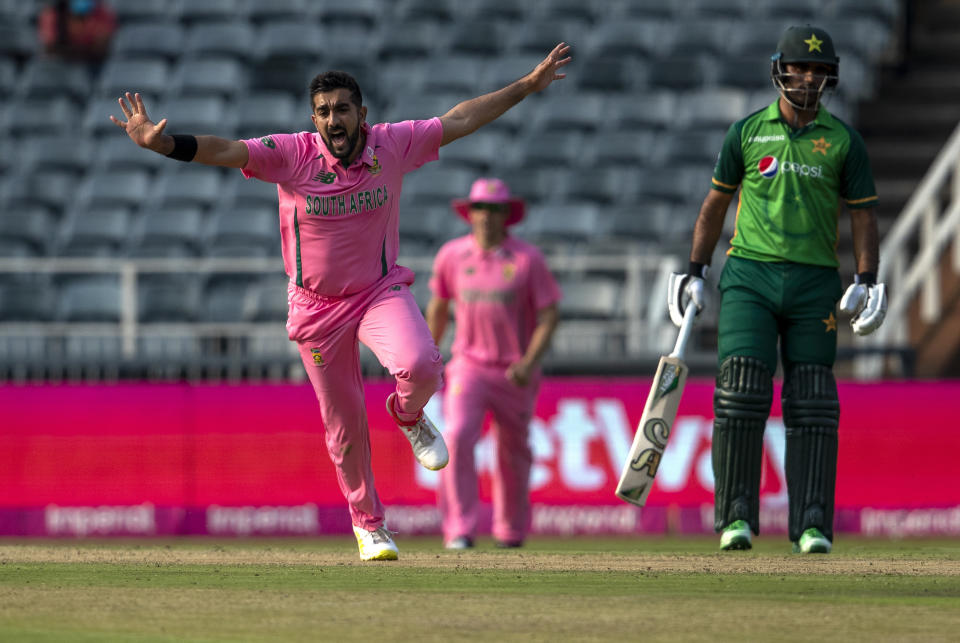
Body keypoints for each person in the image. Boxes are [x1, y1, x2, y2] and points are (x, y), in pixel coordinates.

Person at [109, 43, 572, 561]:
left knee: (421, 364)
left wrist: (527, 87)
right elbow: (227, 151)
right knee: (345, 429)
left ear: (362, 114)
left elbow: (460, 118)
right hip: (315, 308)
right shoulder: (291, 153)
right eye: (324, 110)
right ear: (314, 118)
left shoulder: (392, 144)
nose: (334, 118)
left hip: (378, 292)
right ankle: (369, 524)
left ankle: (407, 414)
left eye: (343, 109)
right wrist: (165, 143)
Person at [667, 26, 886, 554]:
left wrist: (867, 278)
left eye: (818, 70)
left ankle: (812, 524)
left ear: (829, 76)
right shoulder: (745, 132)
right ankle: (735, 517)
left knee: (812, 402)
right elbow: (714, 207)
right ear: (780, 70)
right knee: (740, 394)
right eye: (800, 68)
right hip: (749, 276)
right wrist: (695, 270)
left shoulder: (842, 140)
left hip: (814, 282)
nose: (809, 77)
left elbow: (863, 218)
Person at [426, 178, 560, 550]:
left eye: (495, 209)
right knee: (457, 437)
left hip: (515, 371)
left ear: (507, 215)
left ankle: (510, 532)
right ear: (470, 213)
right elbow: (438, 308)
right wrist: (425, 359)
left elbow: (549, 316)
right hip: (468, 365)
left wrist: (530, 362)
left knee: (513, 452)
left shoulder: (527, 260)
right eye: (480, 209)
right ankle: (460, 530)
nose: (486, 216)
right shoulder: (452, 256)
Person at [38, 0, 116, 64]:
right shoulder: (53, 15)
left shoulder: (102, 13)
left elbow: (101, 47)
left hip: (93, 65)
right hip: (60, 66)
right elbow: (50, 48)